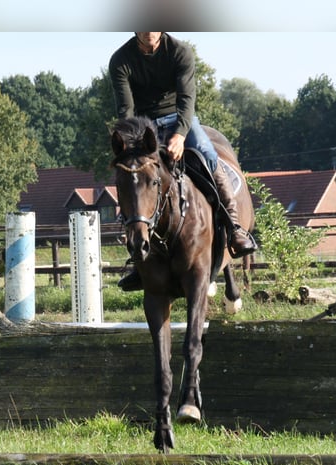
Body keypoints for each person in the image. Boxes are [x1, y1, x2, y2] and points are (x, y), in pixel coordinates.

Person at [109, 32, 257, 291]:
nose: (148, 32)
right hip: (143, 127)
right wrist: (131, 144)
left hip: (177, 119)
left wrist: (180, 134)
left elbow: (187, 100)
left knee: (208, 156)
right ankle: (138, 257)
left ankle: (235, 228)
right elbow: (126, 109)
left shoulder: (180, 52)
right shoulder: (120, 60)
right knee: (132, 175)